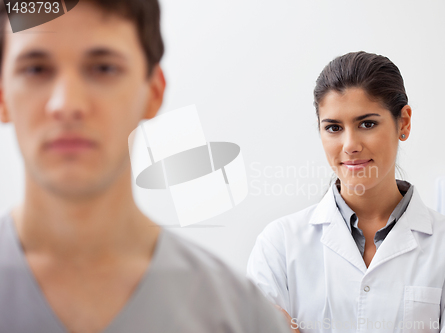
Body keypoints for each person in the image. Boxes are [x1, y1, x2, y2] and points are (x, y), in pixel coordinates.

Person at [0, 1, 290, 332]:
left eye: (103, 68)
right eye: (36, 69)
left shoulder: (242, 317)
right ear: (2, 95)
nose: (67, 104)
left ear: (153, 92)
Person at [246, 51, 445, 333]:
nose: (350, 144)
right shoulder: (278, 245)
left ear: (404, 122)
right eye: (334, 128)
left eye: (367, 124)